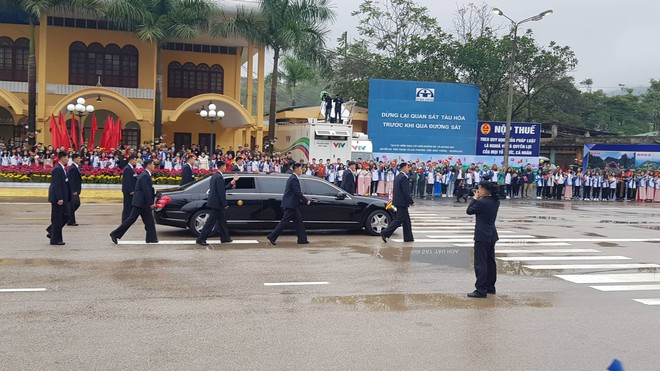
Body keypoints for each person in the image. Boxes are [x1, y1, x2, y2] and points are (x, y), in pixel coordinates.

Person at [110, 159, 158, 244]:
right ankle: (115, 234)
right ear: (149, 165)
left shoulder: (146, 175)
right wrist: (151, 203)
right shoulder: (145, 176)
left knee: (149, 222)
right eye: (153, 164)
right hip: (140, 203)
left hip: (143, 203)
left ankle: (152, 239)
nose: (154, 166)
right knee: (131, 220)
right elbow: (146, 190)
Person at [466, 181, 500, 298]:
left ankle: (481, 289)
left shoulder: (482, 203)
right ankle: (490, 287)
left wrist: (475, 198)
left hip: (482, 235)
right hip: (491, 234)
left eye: (479, 189)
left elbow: (469, 210)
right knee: (490, 262)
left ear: (485, 191)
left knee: (481, 263)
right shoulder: (495, 201)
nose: (478, 191)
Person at [266, 163, 311, 245]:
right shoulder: (293, 179)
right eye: (300, 169)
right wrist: (306, 200)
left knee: (299, 222)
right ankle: (272, 236)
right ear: (297, 170)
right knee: (284, 222)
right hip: (290, 205)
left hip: (293, 205)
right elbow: (297, 192)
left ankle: (302, 240)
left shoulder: (293, 178)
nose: (301, 171)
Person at [196, 160, 239, 246]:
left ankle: (225, 238)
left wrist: (232, 182)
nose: (225, 168)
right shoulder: (219, 177)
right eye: (225, 166)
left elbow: (222, 188)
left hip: (215, 203)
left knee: (222, 221)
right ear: (222, 167)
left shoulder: (215, 175)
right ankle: (201, 239)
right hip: (217, 204)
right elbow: (221, 192)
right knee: (210, 222)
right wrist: (225, 204)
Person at [380, 162, 414, 243]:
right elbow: (405, 191)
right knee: (398, 220)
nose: (408, 169)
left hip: (399, 201)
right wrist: (411, 201)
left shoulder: (398, 176)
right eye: (407, 167)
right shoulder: (403, 177)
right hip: (402, 202)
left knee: (406, 221)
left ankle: (408, 238)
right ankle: (385, 233)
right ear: (404, 168)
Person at [46, 151, 71, 245]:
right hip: (57, 198)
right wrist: (59, 198)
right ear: (62, 158)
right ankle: (55, 239)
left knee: (65, 215)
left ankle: (52, 231)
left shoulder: (62, 168)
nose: (68, 159)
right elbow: (56, 185)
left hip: (62, 197)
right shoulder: (57, 169)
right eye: (67, 157)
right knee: (57, 219)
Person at [121, 155, 138, 222]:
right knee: (127, 206)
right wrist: (131, 190)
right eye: (134, 160)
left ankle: (127, 220)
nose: (135, 161)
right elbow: (127, 181)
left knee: (130, 206)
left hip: (131, 191)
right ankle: (125, 220)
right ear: (131, 160)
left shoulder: (130, 168)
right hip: (128, 191)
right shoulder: (127, 168)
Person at [67, 153, 82, 226]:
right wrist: (73, 191)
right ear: (75, 159)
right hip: (74, 191)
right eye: (79, 158)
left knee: (75, 204)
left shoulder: (76, 167)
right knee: (74, 204)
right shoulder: (73, 168)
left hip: (76, 190)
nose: (80, 160)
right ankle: (70, 220)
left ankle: (68, 217)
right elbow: (72, 180)